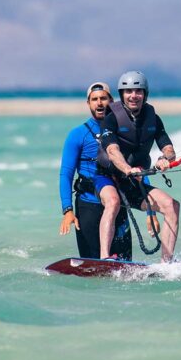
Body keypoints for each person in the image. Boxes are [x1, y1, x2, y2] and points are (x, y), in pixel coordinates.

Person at [96, 70, 181, 263]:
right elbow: (112, 151)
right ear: (122, 94)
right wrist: (127, 169)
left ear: (145, 94)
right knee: (113, 201)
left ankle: (166, 264)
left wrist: (164, 159)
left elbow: (168, 147)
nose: (133, 95)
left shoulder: (153, 118)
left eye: (138, 91)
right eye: (128, 91)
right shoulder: (111, 118)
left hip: (134, 181)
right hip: (109, 177)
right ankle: (104, 259)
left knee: (172, 205)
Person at [58, 82, 132, 260]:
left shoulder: (123, 132)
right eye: (94, 99)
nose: (99, 103)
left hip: (117, 204)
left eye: (103, 98)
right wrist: (67, 210)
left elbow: (135, 169)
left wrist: (150, 214)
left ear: (112, 101)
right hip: (88, 206)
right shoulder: (78, 134)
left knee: (125, 265)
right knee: (94, 263)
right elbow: (66, 174)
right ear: (89, 104)